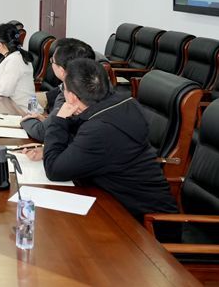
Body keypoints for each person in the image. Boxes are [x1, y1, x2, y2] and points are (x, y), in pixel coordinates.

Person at [41, 58, 178, 218]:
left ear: (71, 97)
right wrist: (51, 150)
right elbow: (85, 141)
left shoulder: (100, 130)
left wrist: (59, 120)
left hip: (144, 222)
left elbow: (54, 170)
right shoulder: (125, 103)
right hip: (115, 202)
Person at [21, 38, 95, 142]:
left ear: (62, 70)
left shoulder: (71, 96)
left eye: (52, 61)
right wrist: (46, 120)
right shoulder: (92, 86)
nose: (51, 63)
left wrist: (26, 120)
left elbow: (42, 132)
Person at [0, 23, 35, 111]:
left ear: (0, 45)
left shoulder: (14, 61)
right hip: (17, 106)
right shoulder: (16, 56)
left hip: (24, 111)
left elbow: (4, 91)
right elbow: (6, 83)